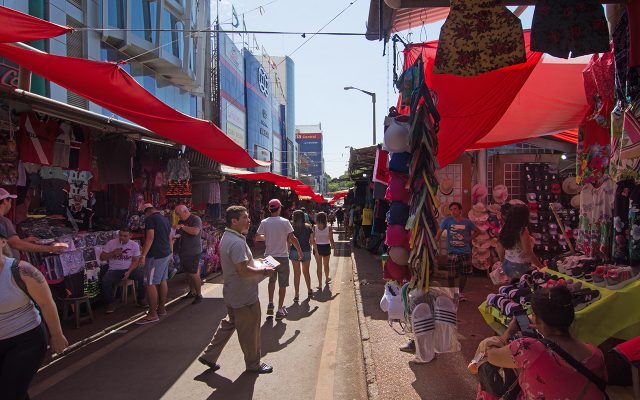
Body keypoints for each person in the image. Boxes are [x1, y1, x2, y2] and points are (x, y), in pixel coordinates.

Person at [480, 286, 607, 400]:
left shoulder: (528, 348)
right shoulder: (596, 353)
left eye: (533, 315)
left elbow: (491, 355)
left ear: (538, 319)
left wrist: (507, 333)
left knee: (487, 375)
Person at [198, 206, 274, 374]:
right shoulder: (236, 242)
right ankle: (253, 364)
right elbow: (243, 271)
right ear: (234, 221)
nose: (248, 221)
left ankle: (209, 355)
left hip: (233, 292)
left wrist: (257, 262)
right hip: (244, 295)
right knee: (250, 330)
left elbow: (243, 265)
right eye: (245, 218)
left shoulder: (229, 237)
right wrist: (263, 270)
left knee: (230, 323)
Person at [0, 223, 68, 399]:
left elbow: (46, 303)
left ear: (2, 242)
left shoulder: (22, 271)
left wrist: (57, 335)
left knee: (10, 392)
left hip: (26, 340)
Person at [255, 199, 303, 321]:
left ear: (269, 209)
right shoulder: (285, 222)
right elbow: (292, 238)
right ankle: (280, 309)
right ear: (279, 208)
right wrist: (299, 251)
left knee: (271, 281)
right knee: (282, 284)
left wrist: (268, 236)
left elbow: (257, 238)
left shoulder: (264, 222)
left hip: (269, 256)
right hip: (282, 256)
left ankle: (271, 303)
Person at [0, 188, 66, 258]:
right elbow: (15, 243)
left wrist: (24, 241)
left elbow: (7, 242)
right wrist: (50, 248)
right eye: (10, 200)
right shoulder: (4, 221)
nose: (11, 203)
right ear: (5, 201)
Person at [435, 202, 480, 301]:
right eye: (451, 209)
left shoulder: (467, 222)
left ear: (460, 210)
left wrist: (470, 239)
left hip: (465, 252)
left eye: (455, 209)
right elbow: (439, 232)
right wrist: (435, 244)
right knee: (451, 274)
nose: (452, 211)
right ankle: (452, 293)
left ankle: (460, 293)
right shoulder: (447, 221)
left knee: (464, 273)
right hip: (452, 251)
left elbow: (478, 231)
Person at [138, 203, 172, 324]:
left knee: (150, 283)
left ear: (147, 212)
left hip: (155, 255)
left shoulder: (150, 219)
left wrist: (143, 255)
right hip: (165, 253)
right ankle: (161, 308)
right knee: (163, 280)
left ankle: (152, 314)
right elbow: (169, 237)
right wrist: (171, 252)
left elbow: (150, 237)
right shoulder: (165, 219)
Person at [100, 227, 146, 313]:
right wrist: (112, 253)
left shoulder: (134, 245)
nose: (122, 237)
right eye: (120, 235)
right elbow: (102, 257)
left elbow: (136, 261)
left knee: (142, 276)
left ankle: (141, 299)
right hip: (114, 269)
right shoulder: (111, 243)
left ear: (130, 236)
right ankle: (111, 303)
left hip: (129, 269)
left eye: (125, 236)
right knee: (105, 280)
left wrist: (129, 271)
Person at [498, 203, 544, 279]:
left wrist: (502, 261)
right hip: (520, 266)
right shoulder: (522, 230)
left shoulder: (505, 227)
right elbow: (528, 252)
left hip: (507, 263)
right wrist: (541, 267)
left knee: (512, 289)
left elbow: (500, 246)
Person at [174, 205, 204, 304]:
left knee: (193, 273)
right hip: (184, 250)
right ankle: (192, 292)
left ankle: (199, 294)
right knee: (189, 273)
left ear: (185, 211)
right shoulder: (181, 221)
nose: (178, 216)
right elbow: (180, 233)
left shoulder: (195, 219)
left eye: (179, 214)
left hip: (193, 251)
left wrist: (182, 227)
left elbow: (195, 231)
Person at [290, 210, 315, 301]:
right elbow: (312, 241)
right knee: (306, 272)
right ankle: (309, 290)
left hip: (294, 251)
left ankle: (296, 295)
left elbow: (289, 240)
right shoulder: (308, 227)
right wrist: (312, 248)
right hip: (306, 251)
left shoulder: (291, 227)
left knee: (297, 274)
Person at [313, 212, 336, 287]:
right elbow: (331, 239)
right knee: (326, 265)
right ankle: (327, 278)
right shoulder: (329, 227)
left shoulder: (314, 227)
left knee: (319, 266)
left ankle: (320, 284)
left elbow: (313, 239)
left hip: (317, 247)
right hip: (326, 246)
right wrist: (335, 248)